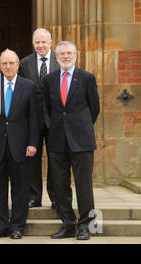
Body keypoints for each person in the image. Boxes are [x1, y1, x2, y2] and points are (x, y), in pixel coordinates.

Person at [43, 41, 100, 241]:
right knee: (59, 185)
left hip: (82, 140)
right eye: (61, 54)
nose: (65, 56)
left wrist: (80, 126)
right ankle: (67, 224)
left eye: (69, 53)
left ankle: (85, 226)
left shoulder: (86, 78)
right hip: (57, 139)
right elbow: (49, 109)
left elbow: (94, 109)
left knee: (84, 185)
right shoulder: (49, 80)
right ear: (56, 57)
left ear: (75, 56)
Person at [0, 49, 38, 239]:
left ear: (18, 65)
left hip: (20, 146)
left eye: (11, 63)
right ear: (0, 66)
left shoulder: (29, 86)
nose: (8, 67)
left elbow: (34, 118)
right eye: (4, 63)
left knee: (21, 189)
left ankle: (17, 227)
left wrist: (32, 143)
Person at [19, 28, 58, 209]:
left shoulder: (60, 60)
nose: (40, 45)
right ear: (33, 44)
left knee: (56, 159)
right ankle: (34, 197)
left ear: (50, 43)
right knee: (32, 160)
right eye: (37, 42)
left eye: (44, 42)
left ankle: (56, 197)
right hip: (31, 120)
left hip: (55, 119)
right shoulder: (24, 63)